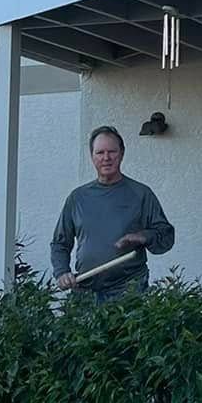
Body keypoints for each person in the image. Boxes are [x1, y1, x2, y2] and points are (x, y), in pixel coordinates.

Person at [50, 126, 174, 301]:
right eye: (100, 152)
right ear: (92, 156)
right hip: (85, 291)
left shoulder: (141, 194)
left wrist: (143, 236)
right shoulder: (77, 198)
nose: (106, 158)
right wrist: (62, 272)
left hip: (129, 291)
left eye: (112, 152)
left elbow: (166, 236)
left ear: (122, 154)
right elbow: (59, 243)